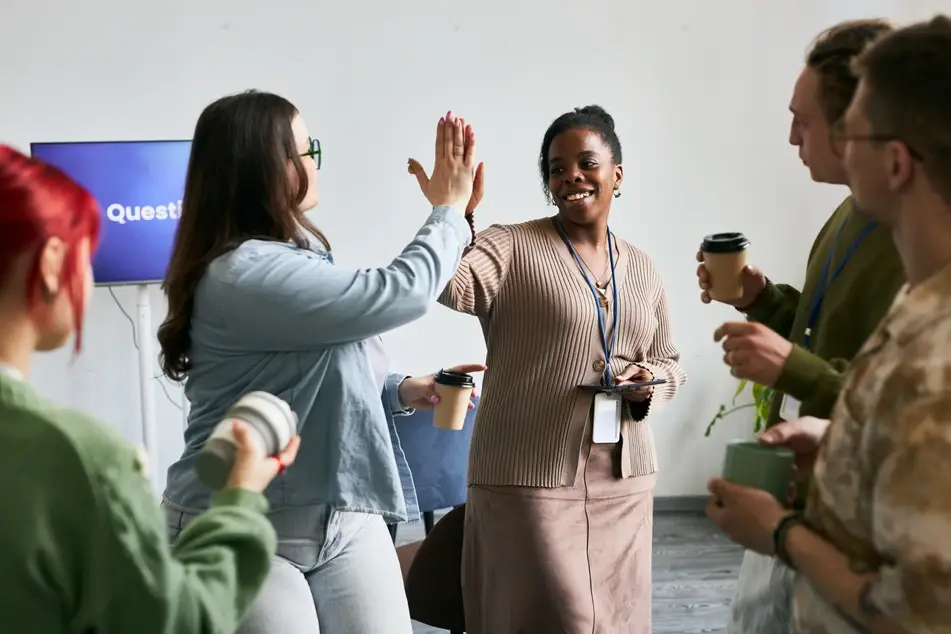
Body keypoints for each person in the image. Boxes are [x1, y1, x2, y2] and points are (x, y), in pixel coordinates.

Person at [158, 91, 481, 634]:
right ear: (264, 168)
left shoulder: (297, 254)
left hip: (341, 511)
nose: (314, 163)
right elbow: (400, 291)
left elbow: (320, 369)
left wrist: (402, 389)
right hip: (242, 519)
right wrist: (447, 210)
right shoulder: (243, 274)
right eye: (307, 152)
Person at [707, 15, 951, 633]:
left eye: (854, 132)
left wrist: (779, 533)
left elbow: (914, 612)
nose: (818, 141)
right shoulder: (917, 298)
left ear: (895, 162)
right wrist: (838, 441)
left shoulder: (936, 343)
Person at [409, 104, 687, 633]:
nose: (571, 177)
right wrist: (452, 214)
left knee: (616, 623)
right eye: (557, 169)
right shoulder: (510, 245)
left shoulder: (644, 267)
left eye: (587, 163)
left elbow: (669, 361)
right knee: (553, 619)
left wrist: (647, 384)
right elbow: (452, 285)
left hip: (623, 480)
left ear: (617, 174)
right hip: (528, 477)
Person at [0, 145, 300, 632]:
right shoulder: (76, 460)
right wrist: (240, 497)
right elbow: (178, 621)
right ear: (53, 263)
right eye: (87, 253)